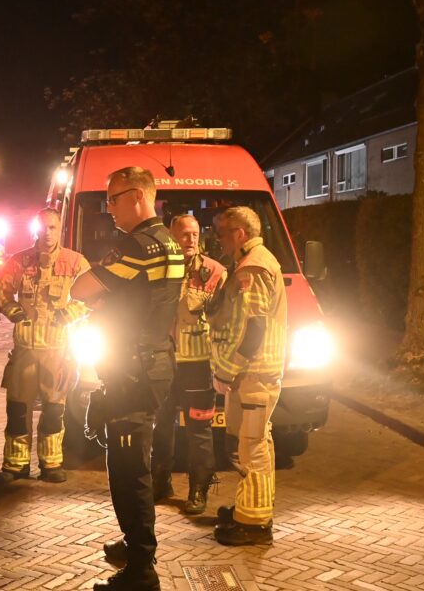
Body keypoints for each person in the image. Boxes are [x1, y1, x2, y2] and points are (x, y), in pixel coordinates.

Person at [71, 167, 184, 591]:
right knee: (130, 459)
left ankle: (141, 568)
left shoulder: (137, 245)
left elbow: (81, 288)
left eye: (112, 199)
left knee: (128, 467)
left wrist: (103, 285)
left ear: (136, 196)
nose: (109, 209)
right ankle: (135, 542)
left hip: (134, 371)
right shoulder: (169, 241)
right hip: (151, 363)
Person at [0, 208, 90, 485]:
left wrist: (68, 314)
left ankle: (51, 465)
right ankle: (15, 466)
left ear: (60, 230)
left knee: (54, 410)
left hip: (58, 351)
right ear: (35, 230)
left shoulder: (76, 262)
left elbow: (93, 294)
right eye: (43, 228)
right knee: (18, 410)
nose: (48, 233)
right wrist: (16, 314)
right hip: (25, 351)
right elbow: (1, 292)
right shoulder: (18, 261)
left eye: (53, 228)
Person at [208, 206, 287, 546]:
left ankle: (254, 524)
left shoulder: (253, 266)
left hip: (254, 373)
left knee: (253, 446)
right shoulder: (251, 262)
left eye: (224, 233)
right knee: (252, 444)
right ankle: (248, 509)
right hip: (253, 374)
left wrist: (227, 369)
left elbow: (253, 327)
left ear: (240, 233)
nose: (219, 239)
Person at [152, 214, 226, 514]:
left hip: (198, 365)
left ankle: (199, 490)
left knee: (199, 429)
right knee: (161, 427)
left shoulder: (215, 272)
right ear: (171, 236)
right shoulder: (159, 269)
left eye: (195, 233)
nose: (191, 239)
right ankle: (160, 481)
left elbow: (225, 321)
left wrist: (221, 363)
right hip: (163, 363)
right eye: (184, 234)